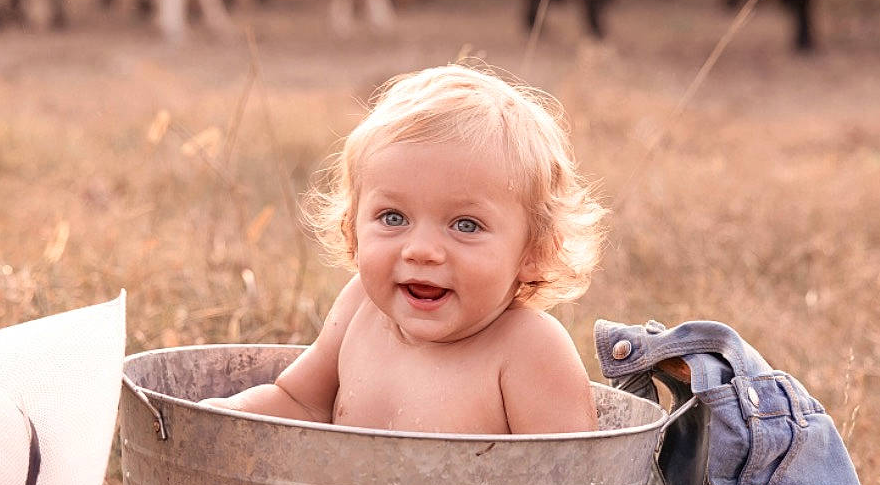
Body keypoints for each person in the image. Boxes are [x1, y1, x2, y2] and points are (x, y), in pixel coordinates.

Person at [208, 63, 606, 435]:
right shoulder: (359, 307)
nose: (422, 251)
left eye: (466, 225)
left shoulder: (529, 349)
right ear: (352, 229)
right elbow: (298, 403)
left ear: (533, 252)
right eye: (394, 218)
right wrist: (213, 418)